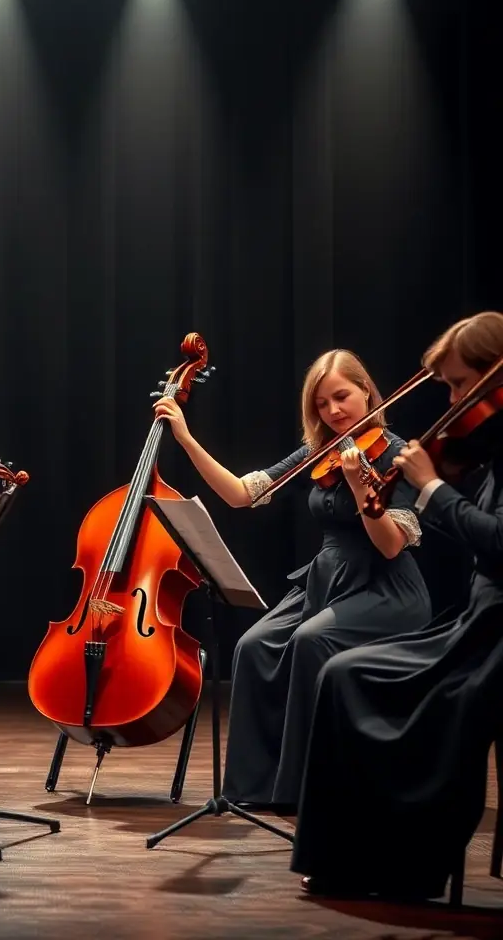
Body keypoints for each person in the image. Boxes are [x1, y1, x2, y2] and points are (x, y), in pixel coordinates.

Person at [154, 348, 432, 808]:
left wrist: (363, 486)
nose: (333, 411)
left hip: (386, 587)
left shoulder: (398, 456)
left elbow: (388, 545)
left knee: (310, 642)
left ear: (366, 390)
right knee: (253, 645)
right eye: (322, 404)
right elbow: (242, 494)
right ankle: (254, 788)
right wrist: (185, 438)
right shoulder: (319, 451)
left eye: (341, 397)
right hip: (328, 578)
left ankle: (306, 790)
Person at [292, 311, 503, 900]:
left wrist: (431, 489)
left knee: (395, 693)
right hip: (475, 622)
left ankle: (398, 865)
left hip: (492, 634)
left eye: (463, 384)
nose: (457, 401)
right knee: (341, 671)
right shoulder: (489, 448)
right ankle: (341, 853)